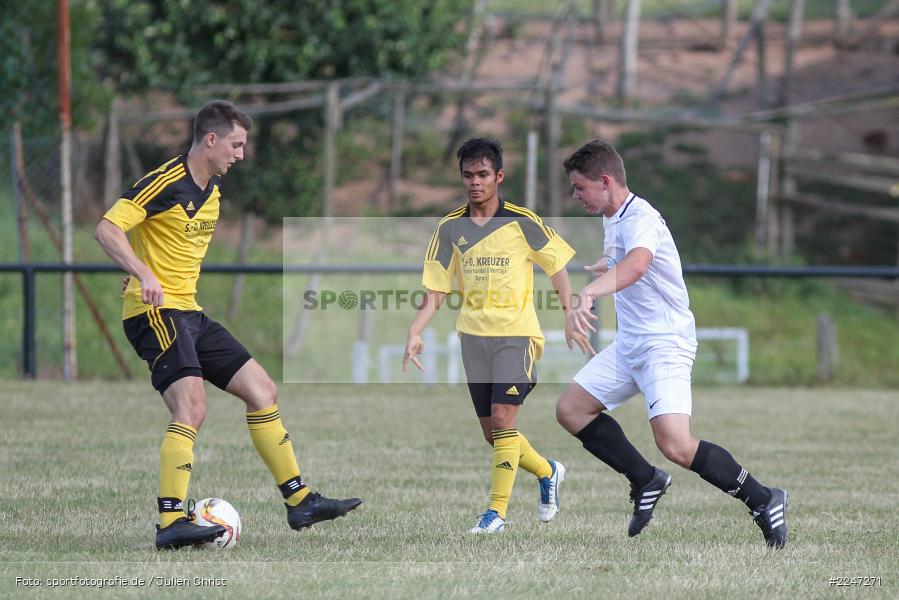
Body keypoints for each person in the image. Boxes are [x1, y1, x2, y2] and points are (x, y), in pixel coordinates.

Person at [95, 100, 361, 550]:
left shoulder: (213, 192)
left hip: (189, 313)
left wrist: (144, 264)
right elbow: (107, 229)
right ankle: (170, 522)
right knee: (192, 409)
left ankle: (300, 502)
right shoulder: (164, 181)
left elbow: (160, 245)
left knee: (262, 390)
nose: (240, 154)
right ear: (211, 139)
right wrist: (142, 274)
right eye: (236, 145)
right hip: (154, 314)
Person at [556, 139, 789, 548]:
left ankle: (764, 498)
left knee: (676, 445)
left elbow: (639, 262)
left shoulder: (640, 216)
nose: (575, 195)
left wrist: (590, 292)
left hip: (665, 343)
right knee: (572, 409)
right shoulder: (614, 215)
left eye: (579, 187)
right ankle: (645, 480)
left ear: (605, 181)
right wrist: (606, 265)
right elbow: (627, 261)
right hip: (632, 343)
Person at [403, 137, 592, 534]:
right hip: (473, 338)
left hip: (516, 336)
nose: (475, 182)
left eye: (483, 175)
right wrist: (416, 329)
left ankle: (496, 514)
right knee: (494, 434)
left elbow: (556, 266)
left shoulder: (523, 221)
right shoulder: (449, 228)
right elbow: (437, 289)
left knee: (505, 420)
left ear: (499, 176)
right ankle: (548, 471)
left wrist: (570, 311)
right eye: (468, 175)